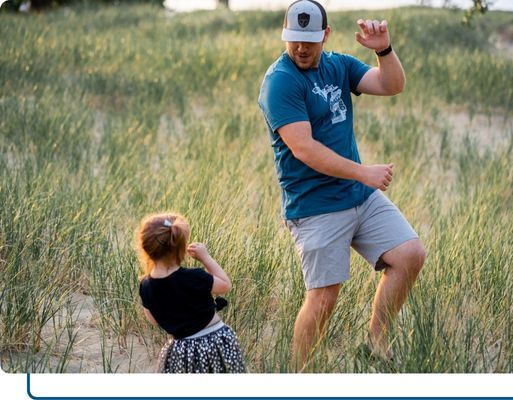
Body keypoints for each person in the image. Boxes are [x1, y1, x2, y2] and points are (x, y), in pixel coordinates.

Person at [258, 0, 426, 369]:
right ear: (285, 36)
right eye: (294, 39)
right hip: (314, 205)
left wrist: (384, 49)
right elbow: (304, 148)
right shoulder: (280, 81)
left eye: (310, 40)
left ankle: (376, 340)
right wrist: (363, 173)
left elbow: (391, 85)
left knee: (409, 255)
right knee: (323, 298)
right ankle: (299, 375)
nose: (301, 48)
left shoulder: (339, 65)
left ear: (325, 35)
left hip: (357, 196)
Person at [136, 213, 245, 373]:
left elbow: (152, 319)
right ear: (181, 250)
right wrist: (205, 258)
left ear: (145, 248)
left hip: (180, 351)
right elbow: (225, 285)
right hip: (216, 341)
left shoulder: (145, 286)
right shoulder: (194, 277)